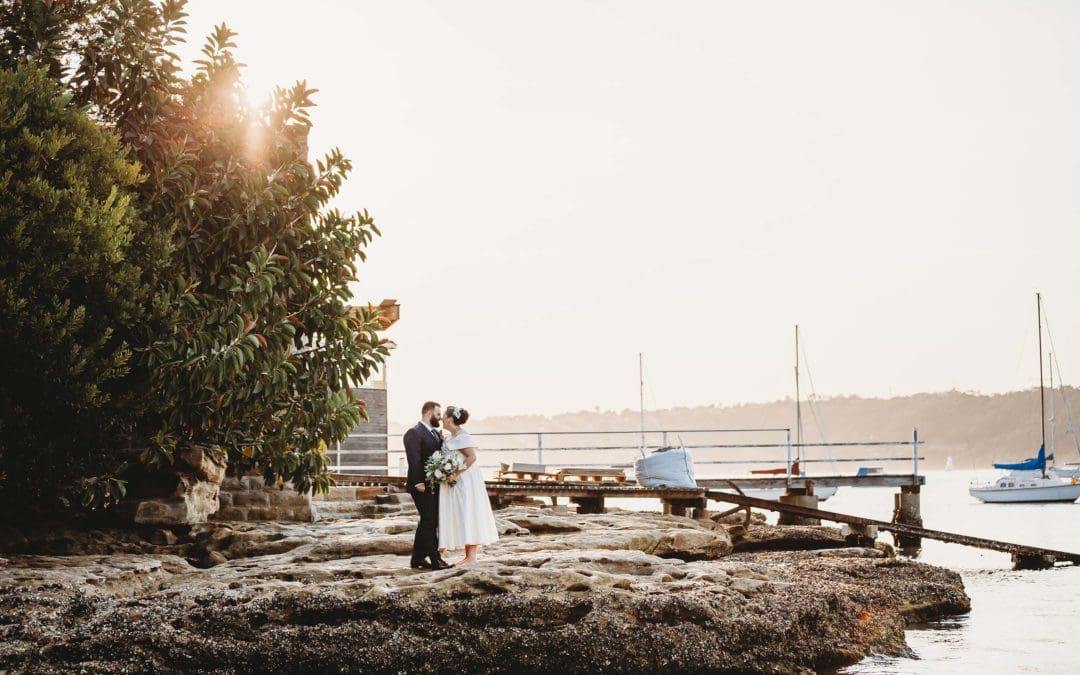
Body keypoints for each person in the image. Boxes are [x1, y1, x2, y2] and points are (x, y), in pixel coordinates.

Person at [437, 405, 499, 566]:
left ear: (450, 419)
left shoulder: (463, 437)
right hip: (458, 481)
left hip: (466, 481)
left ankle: (472, 557)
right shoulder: (451, 436)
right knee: (462, 512)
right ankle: (467, 556)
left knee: (469, 511)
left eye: (443, 415)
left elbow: (471, 457)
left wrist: (455, 473)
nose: (441, 418)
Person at [403, 401, 453, 570]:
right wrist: (418, 482)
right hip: (421, 485)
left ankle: (417, 559)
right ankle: (435, 559)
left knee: (428, 521)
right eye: (438, 414)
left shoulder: (435, 434)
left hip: (434, 484)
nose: (440, 417)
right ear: (428, 413)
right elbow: (414, 459)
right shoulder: (414, 433)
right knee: (429, 520)